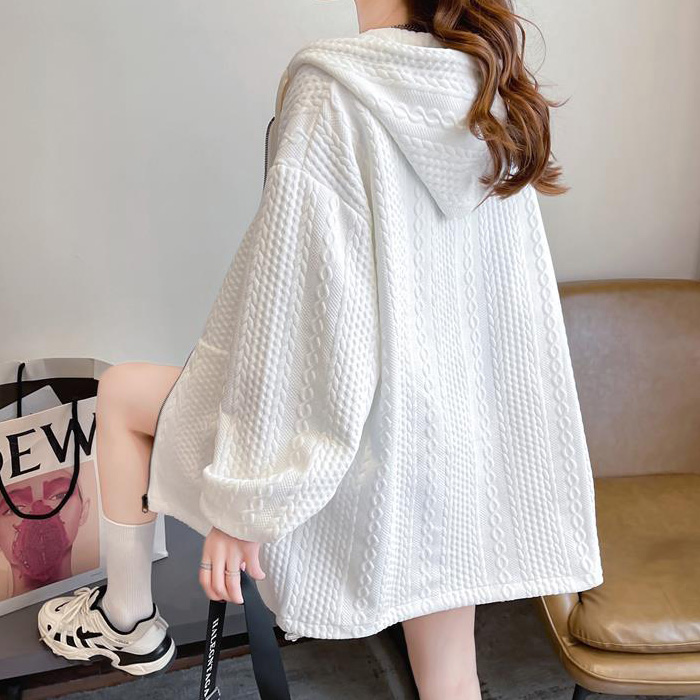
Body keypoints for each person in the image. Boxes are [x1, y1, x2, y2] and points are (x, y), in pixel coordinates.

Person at [37, 0, 605, 697]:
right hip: (452, 455)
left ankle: (127, 622)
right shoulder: (491, 91)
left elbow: (297, 316)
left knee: (122, 391)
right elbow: (511, 314)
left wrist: (247, 500)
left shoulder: (335, 90)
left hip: (351, 458)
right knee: (451, 672)